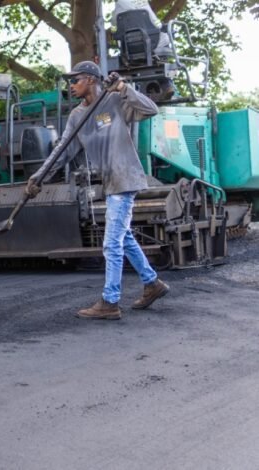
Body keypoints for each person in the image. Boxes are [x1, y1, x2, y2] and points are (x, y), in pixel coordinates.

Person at [25, 61, 170, 320]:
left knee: (111, 243)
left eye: (76, 80)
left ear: (91, 79)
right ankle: (152, 283)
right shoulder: (77, 117)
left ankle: (110, 301)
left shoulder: (113, 101)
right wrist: (38, 177)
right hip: (111, 182)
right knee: (123, 238)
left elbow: (151, 109)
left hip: (125, 179)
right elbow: (62, 151)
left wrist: (124, 87)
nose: (71, 85)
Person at [112, 0, 175, 100]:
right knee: (166, 39)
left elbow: (114, 27)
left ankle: (160, 83)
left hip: (129, 48)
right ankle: (166, 84)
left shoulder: (117, 8)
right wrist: (164, 27)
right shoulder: (141, 2)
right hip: (150, 43)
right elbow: (157, 24)